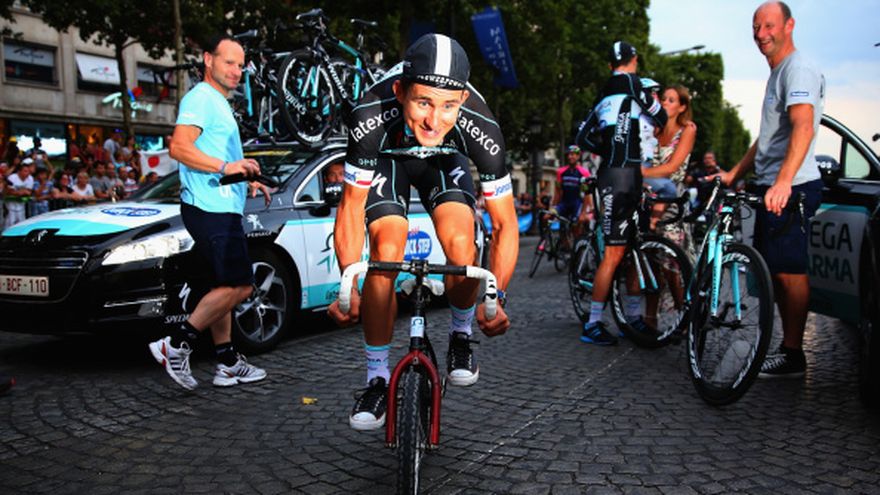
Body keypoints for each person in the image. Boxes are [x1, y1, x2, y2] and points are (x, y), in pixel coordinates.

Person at [327, 33, 518, 431]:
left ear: (462, 99)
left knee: (462, 244)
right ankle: (376, 378)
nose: (434, 120)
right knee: (385, 252)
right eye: (423, 102)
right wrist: (348, 284)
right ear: (400, 92)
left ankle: (461, 335)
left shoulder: (482, 127)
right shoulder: (369, 114)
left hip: (444, 161)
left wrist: (495, 298)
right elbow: (351, 207)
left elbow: (503, 223)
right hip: (387, 160)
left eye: (449, 106)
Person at [147, 34, 271, 390]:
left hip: (218, 204)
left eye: (240, 65)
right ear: (207, 59)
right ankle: (177, 343)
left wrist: (244, 178)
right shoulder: (201, 98)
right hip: (210, 208)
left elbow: (215, 154)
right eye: (229, 62)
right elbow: (179, 147)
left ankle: (227, 362)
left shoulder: (217, 102)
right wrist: (225, 167)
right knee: (241, 286)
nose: (236, 70)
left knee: (223, 286)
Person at [714, 1, 824, 378]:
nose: (761, 34)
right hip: (772, 186)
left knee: (789, 272)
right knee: (773, 271)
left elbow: (803, 126)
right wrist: (735, 172)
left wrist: (783, 181)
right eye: (756, 27)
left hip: (791, 188)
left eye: (769, 26)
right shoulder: (778, 72)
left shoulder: (798, 68)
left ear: (789, 25)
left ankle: (793, 354)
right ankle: (784, 347)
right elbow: (769, 138)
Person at [574, 40, 668, 345]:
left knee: (631, 248)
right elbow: (661, 117)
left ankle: (632, 318)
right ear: (634, 60)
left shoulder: (604, 92)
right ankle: (593, 324)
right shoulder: (633, 84)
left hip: (615, 173)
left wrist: (607, 148)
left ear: (609, 65)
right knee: (617, 253)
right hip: (626, 175)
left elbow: (581, 136)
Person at [642, 84, 697, 239]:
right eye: (663, 99)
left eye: (671, 100)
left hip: (673, 199)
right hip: (648, 194)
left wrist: (641, 172)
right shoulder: (653, 129)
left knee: (668, 248)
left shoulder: (687, 129)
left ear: (682, 107)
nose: (665, 103)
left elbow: (672, 167)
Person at [550, 144, 592, 238]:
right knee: (547, 217)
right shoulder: (561, 172)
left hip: (577, 203)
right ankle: (549, 239)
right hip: (564, 203)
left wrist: (584, 212)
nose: (570, 157)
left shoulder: (584, 173)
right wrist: (553, 206)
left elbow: (587, 193)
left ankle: (577, 243)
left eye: (572, 154)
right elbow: (558, 191)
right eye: (568, 154)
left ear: (578, 156)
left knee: (576, 225)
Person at [5, 163, 34, 228]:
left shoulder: (30, 178)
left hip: (21, 205)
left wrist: (19, 192)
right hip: (11, 205)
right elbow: (9, 191)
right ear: (19, 171)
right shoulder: (12, 177)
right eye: (25, 171)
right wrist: (21, 192)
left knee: (21, 223)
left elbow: (29, 192)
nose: (27, 173)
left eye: (28, 171)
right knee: (10, 223)